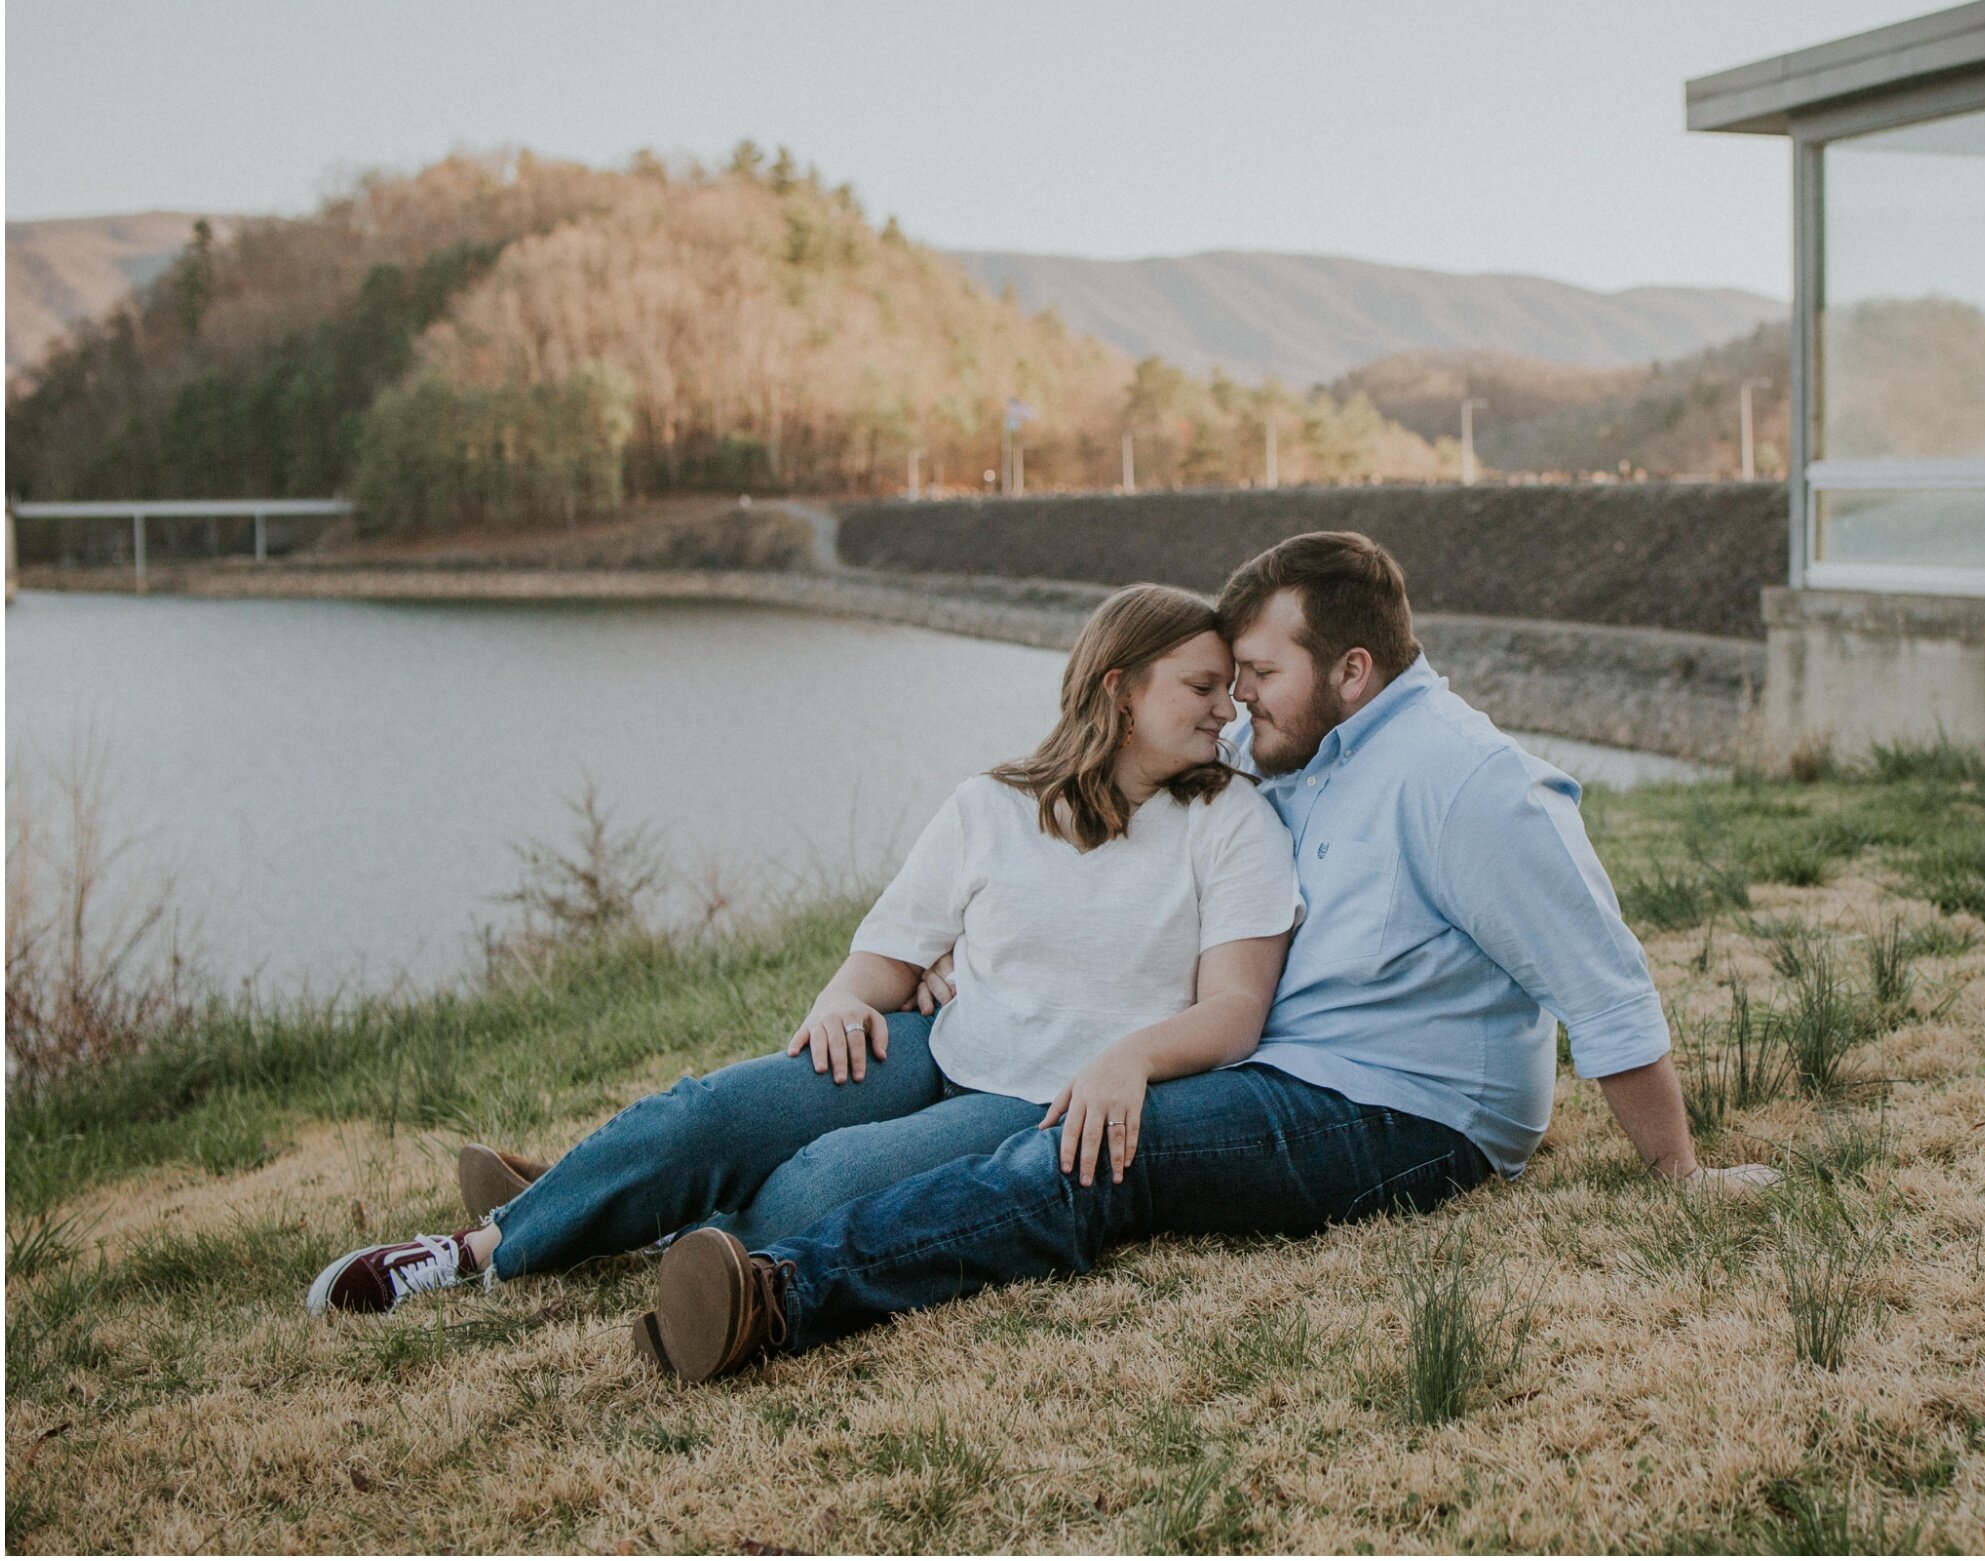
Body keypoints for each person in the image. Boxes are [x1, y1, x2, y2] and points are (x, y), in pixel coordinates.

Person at [635, 530, 1778, 1382]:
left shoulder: (1469, 784)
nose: (1234, 707)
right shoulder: (1300, 749)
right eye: (1225, 683)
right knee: (997, 1114)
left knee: (1095, 1152)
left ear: (1353, 671)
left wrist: (1676, 1176)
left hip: (1402, 1111)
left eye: (1257, 678)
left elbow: (1603, 983)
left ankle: (784, 1298)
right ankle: (637, 1207)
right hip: (1274, 1067)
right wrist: (971, 952)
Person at [305, 583, 1303, 1344]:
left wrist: (1126, 1059)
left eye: (1227, 688)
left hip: (1039, 1101)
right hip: (934, 1045)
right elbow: (885, 951)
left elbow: (1232, 1010)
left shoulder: (1229, 822)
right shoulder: (991, 805)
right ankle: (473, 1252)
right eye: (1201, 686)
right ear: (1117, 687)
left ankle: (613, 1206)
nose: (1224, 709)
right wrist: (840, 1001)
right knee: (715, 1114)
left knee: (819, 1184)